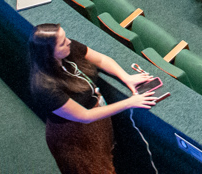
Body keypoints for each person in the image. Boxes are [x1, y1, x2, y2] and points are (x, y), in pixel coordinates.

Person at [28, 23, 158, 174]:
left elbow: (101, 60)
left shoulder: (68, 49)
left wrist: (126, 77)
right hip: (74, 135)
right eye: (63, 43)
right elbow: (85, 116)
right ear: (49, 53)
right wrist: (130, 102)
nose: (69, 41)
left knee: (108, 157)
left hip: (97, 121)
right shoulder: (45, 87)